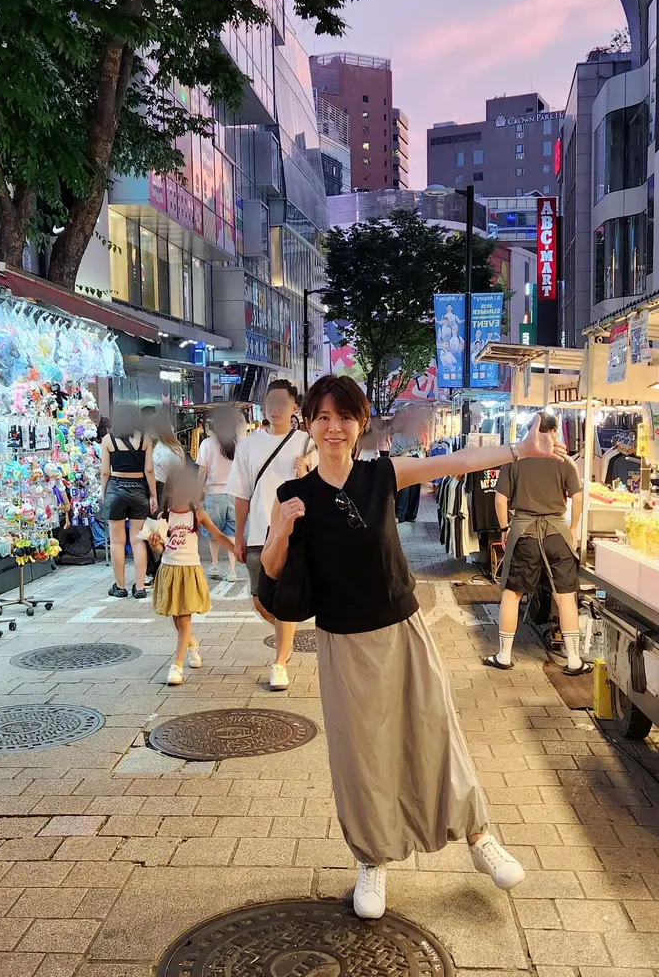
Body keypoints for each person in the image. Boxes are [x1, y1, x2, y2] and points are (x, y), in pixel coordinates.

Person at [262, 376, 563, 919]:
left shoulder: (381, 475)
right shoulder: (293, 495)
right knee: (361, 754)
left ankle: (479, 837)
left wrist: (519, 450)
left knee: (435, 730)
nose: (334, 427)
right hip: (342, 642)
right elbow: (271, 569)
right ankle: (372, 859)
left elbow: (455, 463)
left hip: (402, 629)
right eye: (323, 417)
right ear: (309, 423)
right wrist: (282, 529)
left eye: (344, 417)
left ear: (361, 424)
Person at [484, 412, 587, 676]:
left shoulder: (515, 459)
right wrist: (573, 528)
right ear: (554, 431)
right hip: (557, 533)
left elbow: (500, 500)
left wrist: (504, 528)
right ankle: (574, 660)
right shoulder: (564, 461)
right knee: (565, 595)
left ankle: (504, 655)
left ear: (531, 430)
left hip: (524, 533)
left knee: (512, 594)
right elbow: (578, 497)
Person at [227, 378, 314, 690]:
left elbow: (321, 488)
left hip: (291, 533)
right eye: (270, 403)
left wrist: (305, 472)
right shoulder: (248, 445)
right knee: (260, 600)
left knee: (283, 598)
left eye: (281, 403)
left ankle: (280, 662)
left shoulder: (306, 443)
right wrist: (238, 536)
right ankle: (286, 636)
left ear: (294, 408)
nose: (275, 409)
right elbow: (241, 495)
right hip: (257, 532)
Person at [150, 467, 235, 686]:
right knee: (176, 617)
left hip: (189, 571)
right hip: (169, 571)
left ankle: (177, 665)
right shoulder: (163, 517)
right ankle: (191, 644)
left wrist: (237, 550)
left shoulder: (197, 515)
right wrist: (155, 544)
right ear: (171, 492)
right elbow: (161, 550)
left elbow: (218, 535)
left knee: (184, 618)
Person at [99, 401, 158, 599]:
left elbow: (105, 471)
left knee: (117, 541)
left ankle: (120, 586)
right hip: (139, 490)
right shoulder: (145, 439)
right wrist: (153, 495)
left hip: (115, 489)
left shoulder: (108, 440)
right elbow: (149, 470)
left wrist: (104, 493)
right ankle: (140, 587)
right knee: (138, 540)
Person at [196, 406, 240, 579]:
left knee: (213, 532)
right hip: (235, 493)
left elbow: (202, 471)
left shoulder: (207, 444)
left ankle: (214, 566)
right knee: (232, 533)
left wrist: (198, 493)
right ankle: (232, 570)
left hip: (213, 493)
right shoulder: (239, 443)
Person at [391, 407, 425, 523]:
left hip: (415, 463)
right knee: (403, 491)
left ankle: (411, 515)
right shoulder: (397, 436)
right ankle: (400, 515)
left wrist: (418, 448)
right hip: (403, 463)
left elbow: (420, 446)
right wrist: (409, 448)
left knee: (415, 490)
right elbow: (394, 453)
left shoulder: (414, 434)